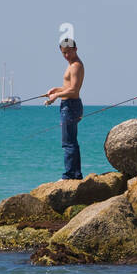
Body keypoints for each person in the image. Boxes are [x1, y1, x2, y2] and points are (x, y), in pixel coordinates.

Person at [45, 38, 85, 180]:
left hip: (71, 106)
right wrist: (56, 90)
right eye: (63, 53)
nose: (66, 55)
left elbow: (74, 90)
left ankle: (70, 175)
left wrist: (56, 96)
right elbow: (68, 87)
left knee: (68, 142)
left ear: (75, 49)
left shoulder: (75, 66)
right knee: (70, 141)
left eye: (68, 52)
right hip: (68, 106)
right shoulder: (70, 65)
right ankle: (75, 174)